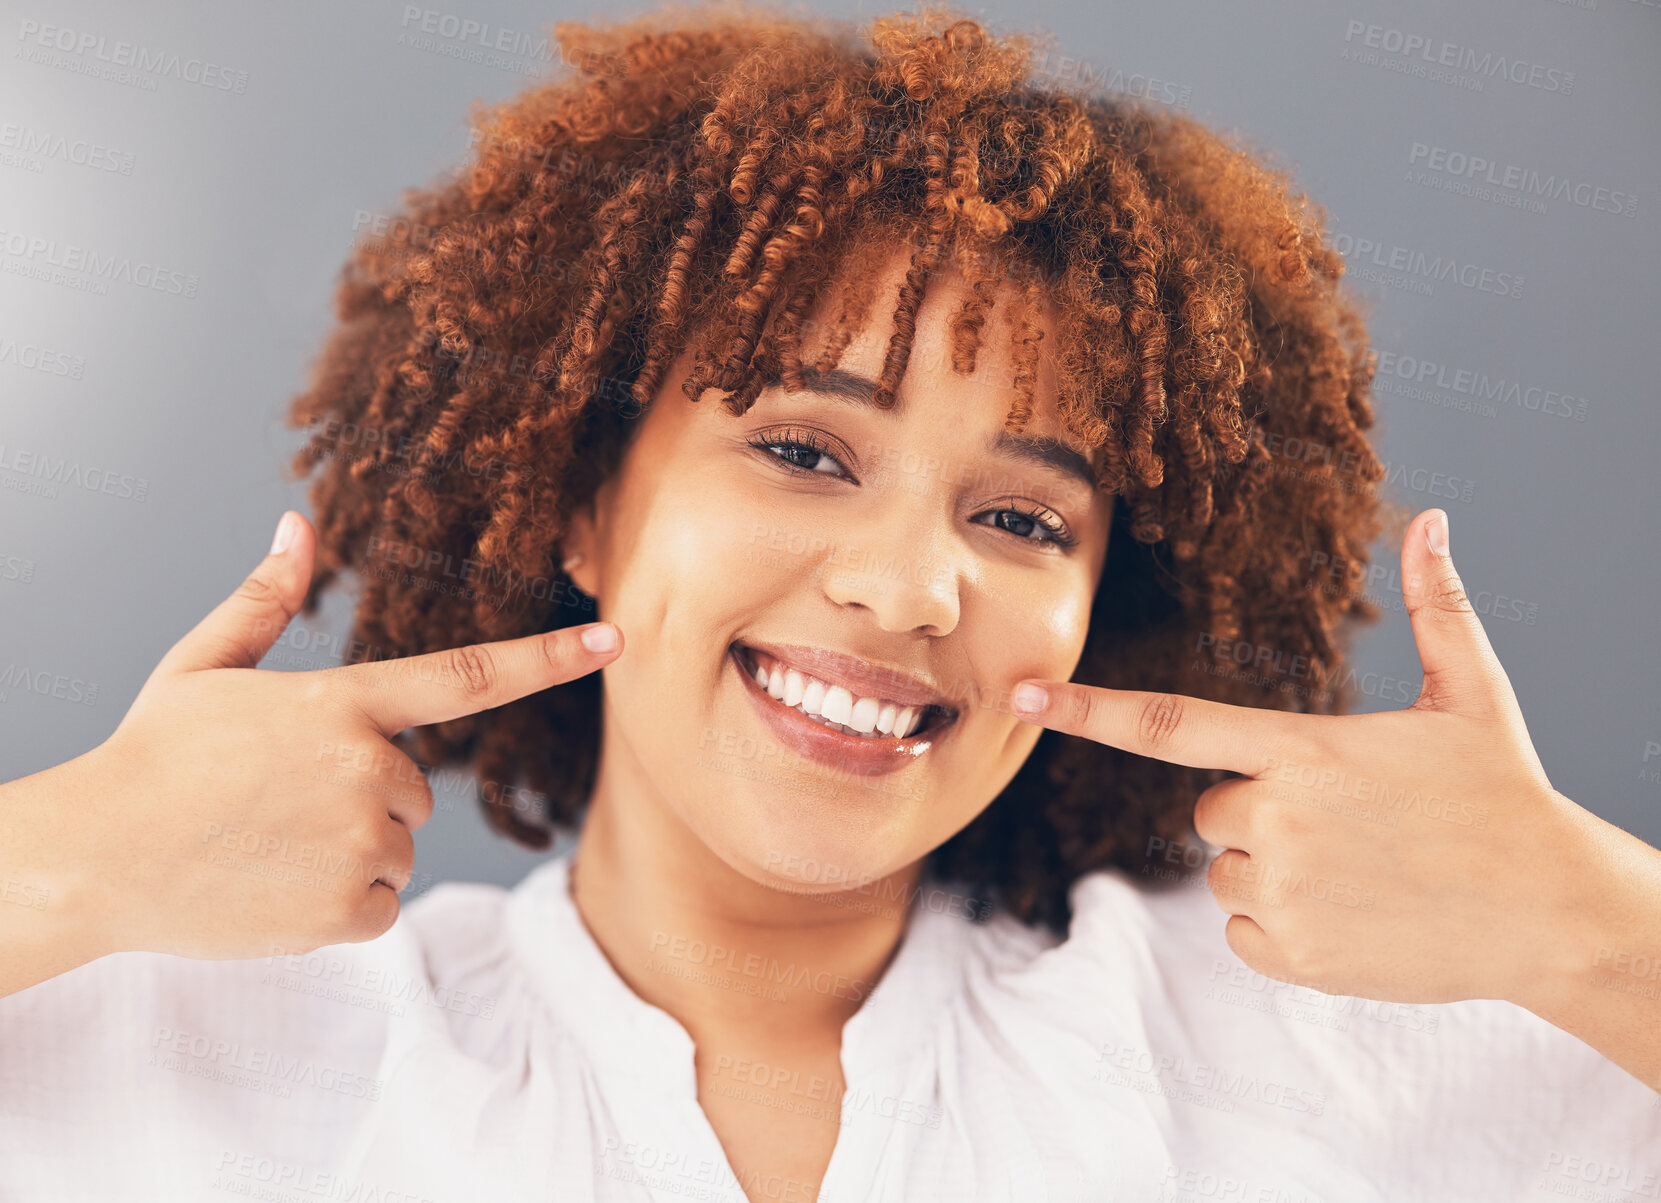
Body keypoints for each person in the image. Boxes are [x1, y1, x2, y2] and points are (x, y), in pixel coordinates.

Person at [2, 6, 1657, 1201]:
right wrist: (64, 858)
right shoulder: (188, 1054)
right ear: (581, 502)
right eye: (803, 449)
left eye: (1020, 515)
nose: (903, 586)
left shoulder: (1330, 1058)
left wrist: (1585, 922)